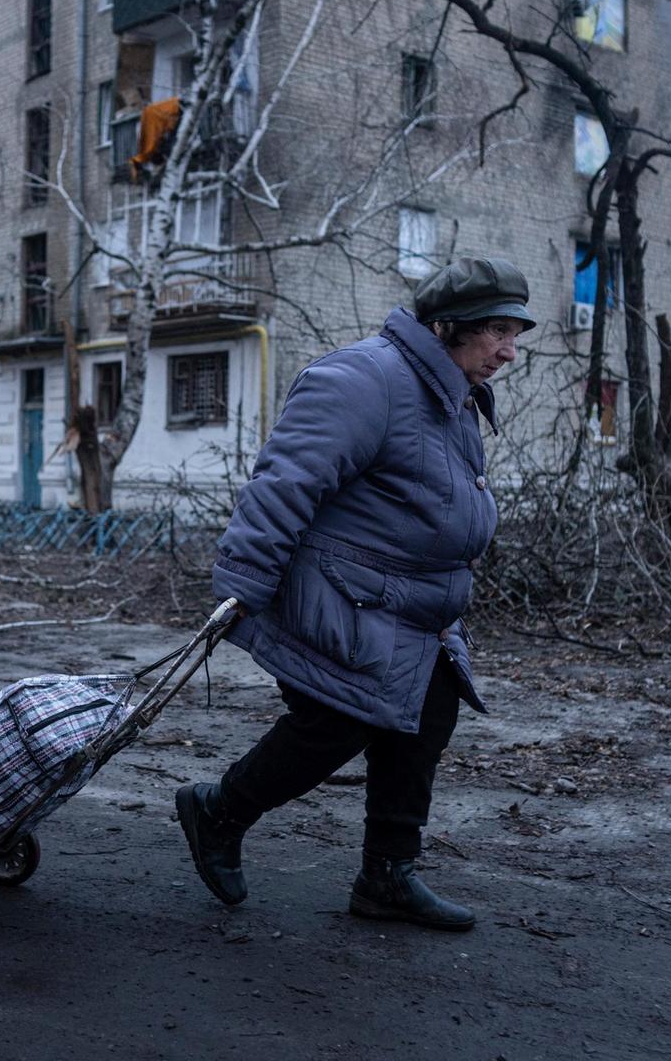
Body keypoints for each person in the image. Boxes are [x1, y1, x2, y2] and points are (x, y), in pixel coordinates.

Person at [176, 256, 535, 931]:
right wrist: (244, 585)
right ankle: (217, 812)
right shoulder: (365, 378)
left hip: (406, 606)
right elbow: (285, 483)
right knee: (340, 720)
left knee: (427, 713)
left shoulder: (448, 391)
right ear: (447, 326)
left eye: (516, 333)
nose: (511, 352)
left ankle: (387, 877)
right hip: (339, 596)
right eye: (497, 332)